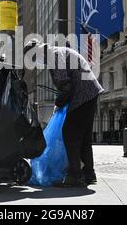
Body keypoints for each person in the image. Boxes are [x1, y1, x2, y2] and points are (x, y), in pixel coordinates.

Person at [24, 40, 104, 187]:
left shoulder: (53, 55)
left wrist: (58, 103)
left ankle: (75, 175)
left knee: (70, 134)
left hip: (82, 95)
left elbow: (66, 86)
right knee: (84, 136)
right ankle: (88, 173)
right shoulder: (56, 52)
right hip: (90, 92)